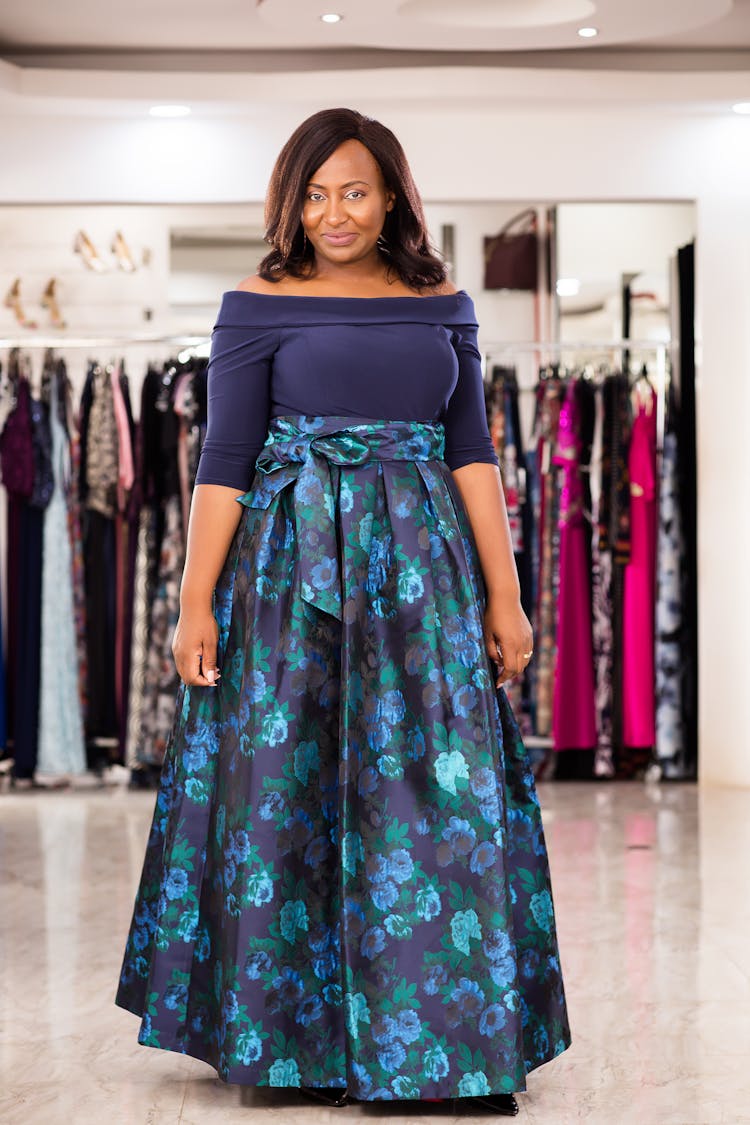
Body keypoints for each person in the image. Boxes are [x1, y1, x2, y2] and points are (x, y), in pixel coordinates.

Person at [116, 106, 571, 1115]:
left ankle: (448, 1046)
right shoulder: (254, 304)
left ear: (394, 195)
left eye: (353, 190)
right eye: (313, 193)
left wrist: (508, 593)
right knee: (288, 788)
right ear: (292, 203)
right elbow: (224, 463)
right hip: (288, 567)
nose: (333, 211)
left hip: (423, 569)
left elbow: (474, 452)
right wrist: (196, 604)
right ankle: (285, 1048)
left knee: (439, 788)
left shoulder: (444, 303)